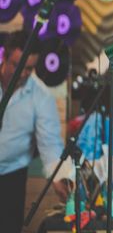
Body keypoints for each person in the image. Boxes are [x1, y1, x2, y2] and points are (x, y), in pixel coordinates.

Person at [0, 30, 70, 233]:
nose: (22, 73)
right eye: (17, 66)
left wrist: (58, 177)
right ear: (4, 57)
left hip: (12, 175)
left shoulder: (41, 96)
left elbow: (50, 143)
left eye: (28, 68)